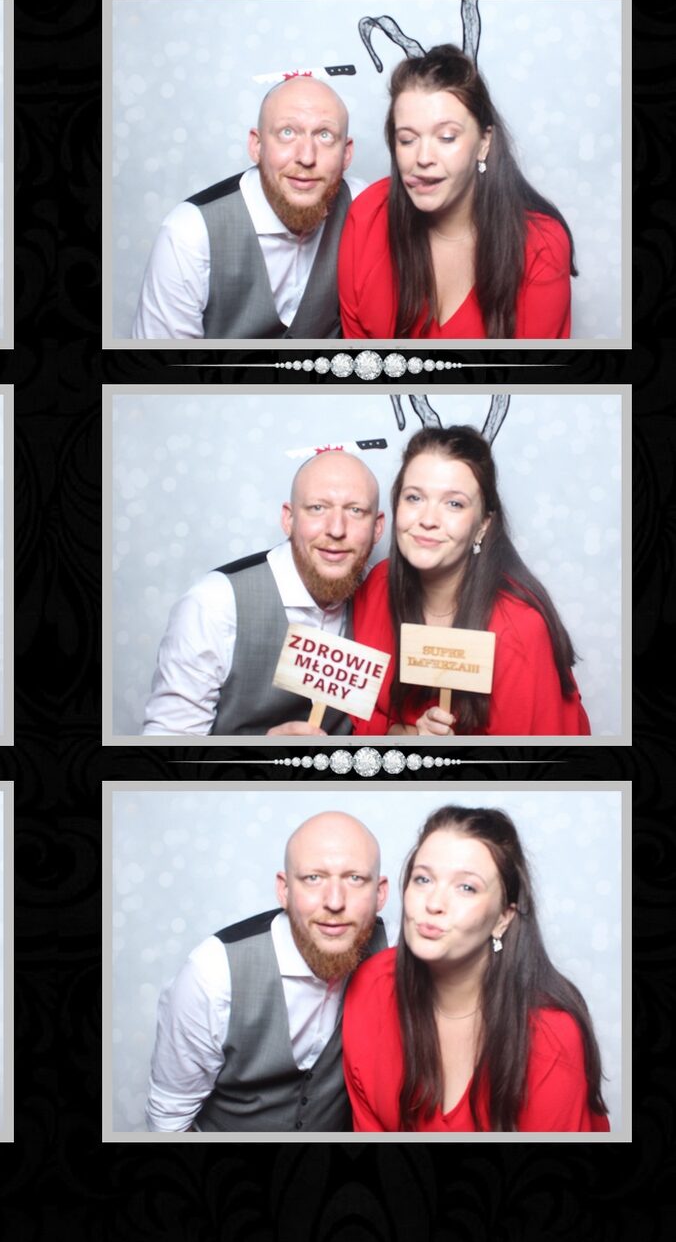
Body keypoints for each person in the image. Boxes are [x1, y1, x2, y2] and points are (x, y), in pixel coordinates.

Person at [343, 807, 608, 1132]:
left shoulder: (551, 1034)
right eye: (423, 879)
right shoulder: (370, 986)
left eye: (466, 887)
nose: (434, 903)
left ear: (503, 918)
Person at [145, 812, 388, 1132]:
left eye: (355, 878)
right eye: (313, 878)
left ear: (380, 894)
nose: (334, 901)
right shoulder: (213, 974)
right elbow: (168, 1121)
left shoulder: (397, 956)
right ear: (284, 890)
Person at [350, 425, 589, 737]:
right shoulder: (378, 587)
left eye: (454, 504)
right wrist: (403, 733)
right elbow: (358, 711)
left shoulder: (519, 630)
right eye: (414, 497)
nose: (428, 519)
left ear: (483, 525)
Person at [338, 45, 575, 340]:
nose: (423, 158)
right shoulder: (367, 216)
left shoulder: (541, 245)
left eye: (447, 137)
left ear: (484, 142)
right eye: (407, 140)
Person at [142, 450, 383, 736]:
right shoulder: (216, 604)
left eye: (356, 511)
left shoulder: (384, 598)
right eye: (318, 508)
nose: (336, 529)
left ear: (377, 528)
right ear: (288, 519)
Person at [131, 76, 357, 339]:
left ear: (346, 154)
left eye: (325, 135)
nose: (306, 157)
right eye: (287, 132)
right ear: (256, 146)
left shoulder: (364, 207)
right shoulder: (189, 234)